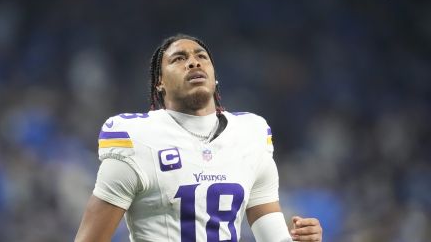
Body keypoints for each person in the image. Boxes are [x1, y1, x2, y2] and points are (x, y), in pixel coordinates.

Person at [75, 34, 323, 242]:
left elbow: (274, 236)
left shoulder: (251, 134)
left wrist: (302, 239)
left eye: (201, 57)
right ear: (159, 82)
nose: (193, 63)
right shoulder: (137, 139)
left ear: (214, 75)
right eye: (179, 59)